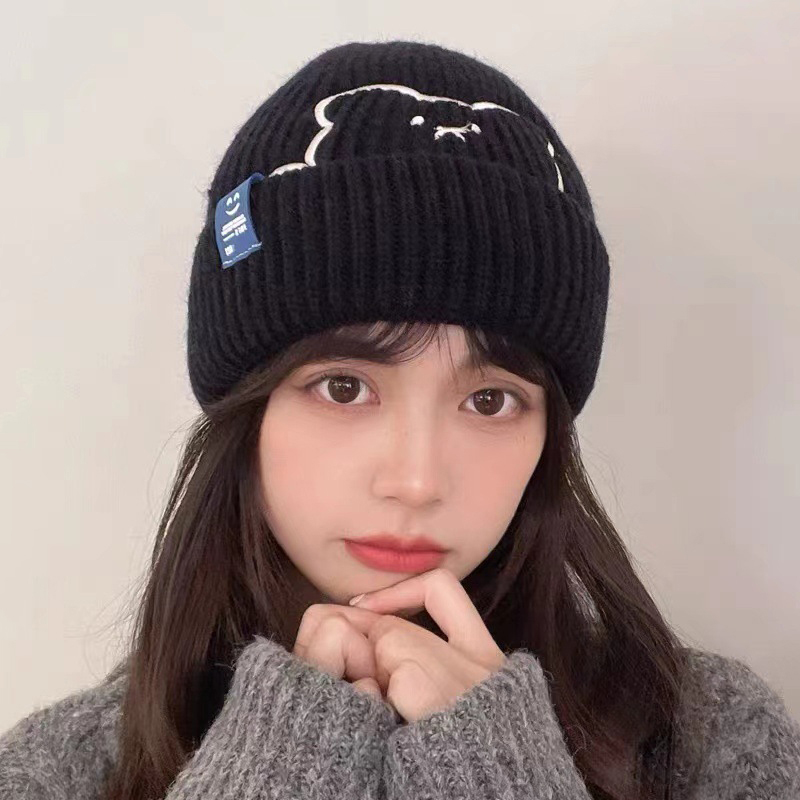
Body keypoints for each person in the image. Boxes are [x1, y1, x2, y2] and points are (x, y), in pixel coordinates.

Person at [1, 38, 798, 800]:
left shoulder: (710, 744)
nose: (416, 481)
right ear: (247, 411)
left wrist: (498, 769)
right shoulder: (59, 771)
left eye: (490, 400)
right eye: (345, 387)